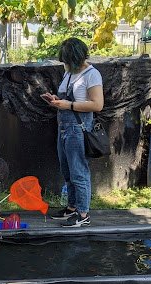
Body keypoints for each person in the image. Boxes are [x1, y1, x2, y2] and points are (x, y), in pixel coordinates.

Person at [43, 37, 104, 227]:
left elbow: (97, 104)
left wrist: (68, 105)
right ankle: (72, 207)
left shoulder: (91, 75)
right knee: (67, 170)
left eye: (68, 61)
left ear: (77, 58)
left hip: (78, 129)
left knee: (79, 172)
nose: (65, 64)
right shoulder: (69, 73)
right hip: (63, 127)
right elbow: (66, 98)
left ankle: (83, 213)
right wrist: (55, 100)